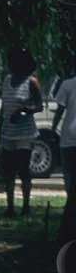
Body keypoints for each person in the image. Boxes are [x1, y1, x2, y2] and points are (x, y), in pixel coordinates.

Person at [0, 48, 43, 217]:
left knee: (23, 170)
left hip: (25, 134)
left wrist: (24, 109)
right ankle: (10, 207)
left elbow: (39, 106)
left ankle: (26, 206)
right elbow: (3, 108)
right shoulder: (7, 80)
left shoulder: (31, 82)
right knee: (8, 171)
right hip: (8, 133)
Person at [51, 62, 76, 198]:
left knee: (69, 172)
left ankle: (71, 202)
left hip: (69, 136)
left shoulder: (67, 84)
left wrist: (54, 127)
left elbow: (60, 109)